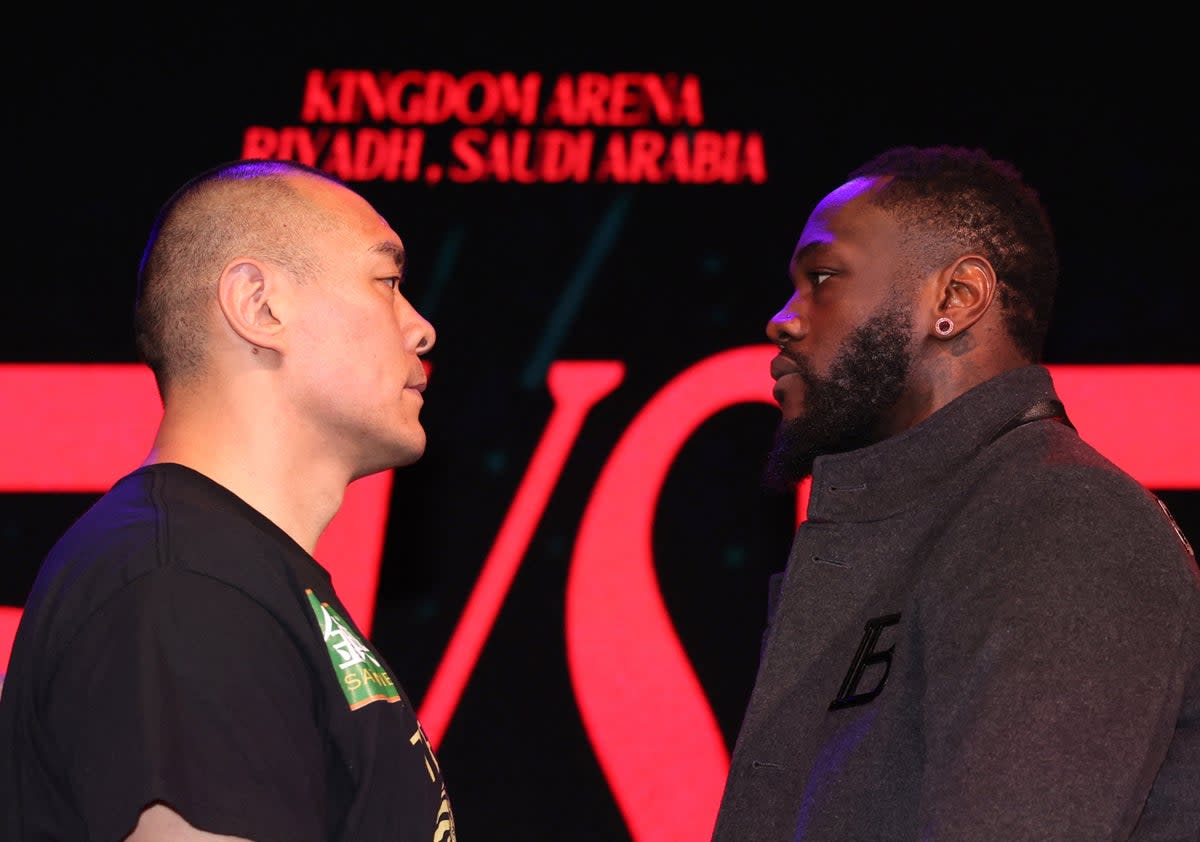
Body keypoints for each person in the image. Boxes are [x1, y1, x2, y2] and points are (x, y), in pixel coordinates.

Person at [710, 145, 1199, 840]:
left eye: (822, 278)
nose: (783, 318)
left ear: (957, 298)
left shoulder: (1062, 524)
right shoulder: (925, 527)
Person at [0, 160, 457, 841]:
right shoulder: (182, 586)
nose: (422, 329)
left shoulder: (226, 575)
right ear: (259, 306)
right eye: (386, 282)